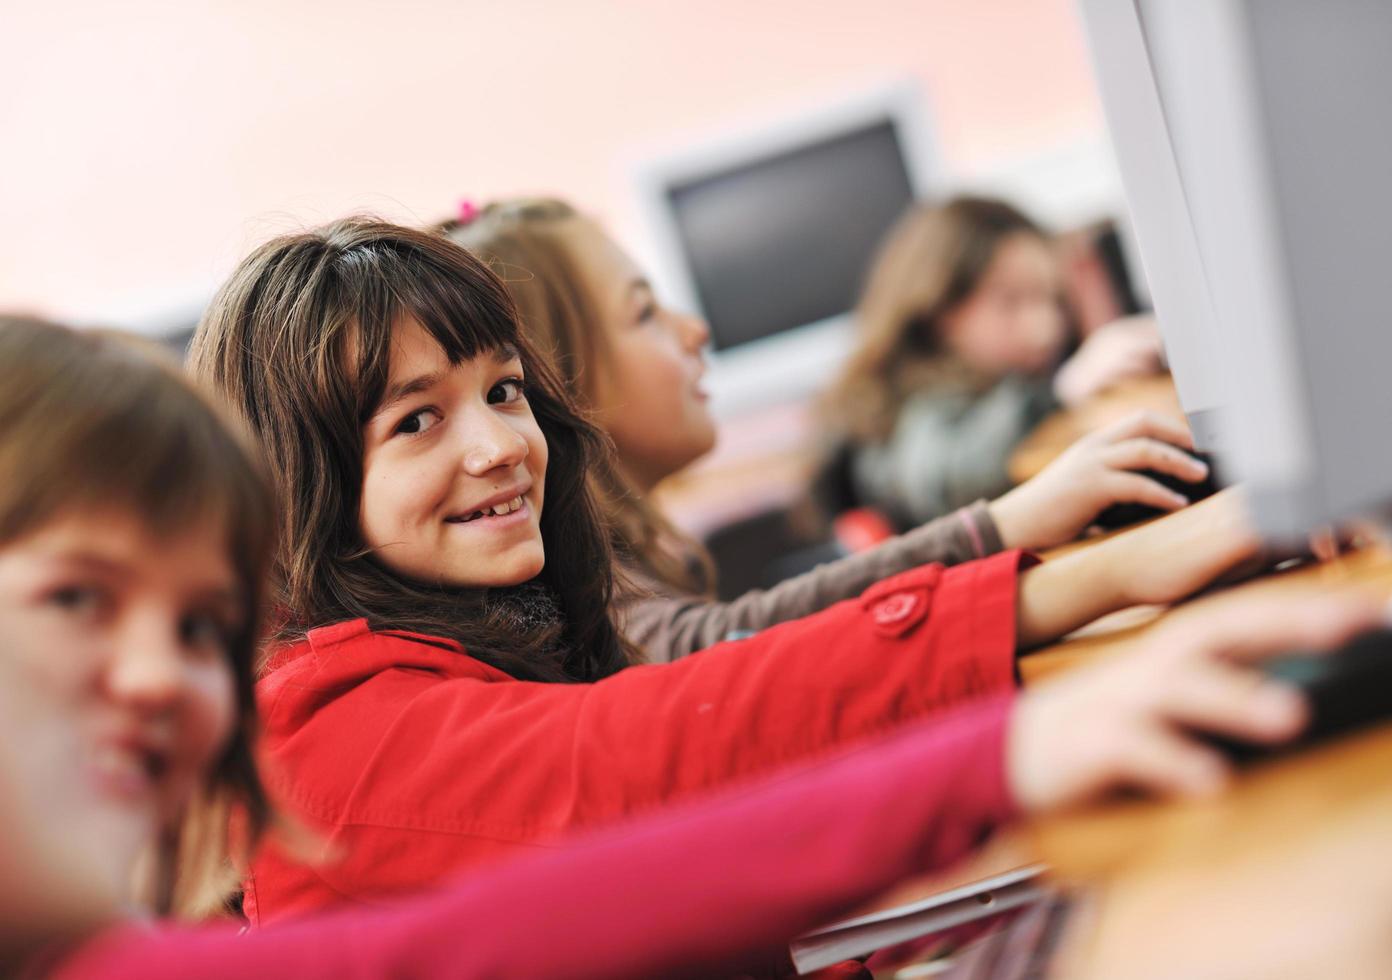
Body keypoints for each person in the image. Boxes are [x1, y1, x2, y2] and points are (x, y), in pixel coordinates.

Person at [3, 316, 1392, 980]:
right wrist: (1026, 685)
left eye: (201, 625)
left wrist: (1020, 728)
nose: (163, 679)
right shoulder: (334, 732)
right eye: (78, 601)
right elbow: (635, 765)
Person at [188, 219, 1264, 925]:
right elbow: (656, 751)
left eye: (505, 392)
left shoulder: (480, 641)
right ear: (296, 485)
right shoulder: (323, 737)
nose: (499, 446)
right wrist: (1081, 599)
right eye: (416, 419)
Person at [444, 197, 1201, 661]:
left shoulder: (635, 562)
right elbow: (725, 658)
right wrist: (1021, 527)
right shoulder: (582, 600)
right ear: (557, 378)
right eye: (645, 312)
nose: (695, 329)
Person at [817, 195, 1164, 527]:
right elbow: (950, 475)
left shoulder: (999, 377)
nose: (1044, 327)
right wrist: (1059, 392)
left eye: (1051, 298)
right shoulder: (905, 401)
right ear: (940, 309)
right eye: (1011, 301)